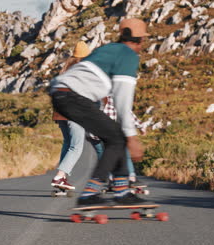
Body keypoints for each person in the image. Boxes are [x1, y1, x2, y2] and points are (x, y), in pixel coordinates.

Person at [49, 18, 149, 206]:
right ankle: (92, 193)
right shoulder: (128, 56)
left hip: (60, 94)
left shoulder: (109, 49)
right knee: (119, 138)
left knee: (115, 137)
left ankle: (120, 190)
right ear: (140, 41)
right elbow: (122, 100)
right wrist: (133, 138)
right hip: (72, 97)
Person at [50, 41, 91, 191]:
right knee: (76, 146)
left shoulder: (66, 69)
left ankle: (62, 179)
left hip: (60, 111)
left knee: (68, 143)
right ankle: (60, 176)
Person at [89, 96, 146, 187]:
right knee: (124, 153)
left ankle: (111, 179)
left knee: (103, 156)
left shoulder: (92, 93)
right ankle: (131, 178)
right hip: (109, 132)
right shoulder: (113, 94)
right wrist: (140, 126)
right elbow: (126, 112)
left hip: (94, 132)